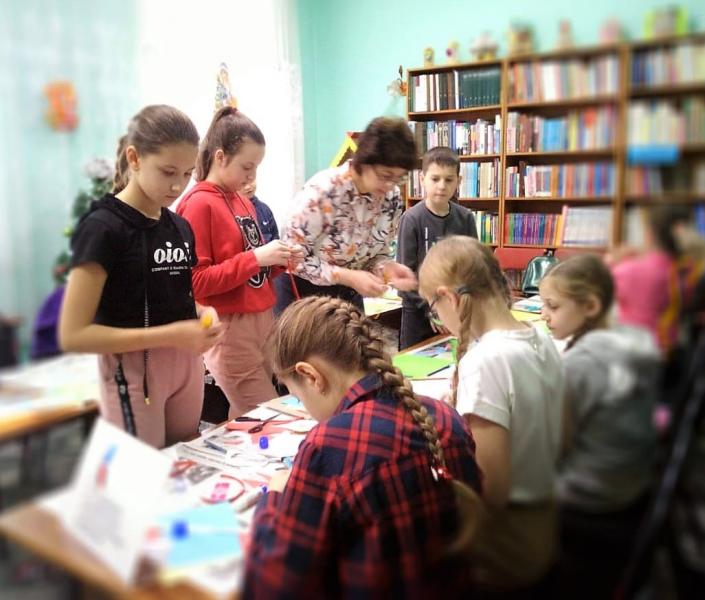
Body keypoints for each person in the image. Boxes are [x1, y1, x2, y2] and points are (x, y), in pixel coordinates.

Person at [243, 296, 483, 598]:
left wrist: (274, 499)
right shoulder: (445, 417)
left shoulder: (327, 447)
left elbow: (276, 587)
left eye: (298, 398)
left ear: (311, 375)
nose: (306, 410)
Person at [58, 105, 222, 448]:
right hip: (134, 371)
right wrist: (170, 335)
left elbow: (177, 298)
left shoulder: (180, 227)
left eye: (187, 173)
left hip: (186, 367)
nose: (177, 185)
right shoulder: (103, 228)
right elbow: (73, 335)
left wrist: (203, 314)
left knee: (185, 457)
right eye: (167, 171)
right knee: (144, 470)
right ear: (134, 158)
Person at [418, 235, 565, 594]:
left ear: (450, 298)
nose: (437, 318)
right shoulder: (539, 337)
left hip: (508, 547)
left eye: (433, 307)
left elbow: (490, 491)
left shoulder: (485, 362)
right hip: (547, 528)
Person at [539, 254, 660, 600]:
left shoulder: (582, 363)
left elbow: (557, 444)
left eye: (552, 306)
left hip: (591, 499)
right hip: (634, 486)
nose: (543, 314)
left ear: (590, 306)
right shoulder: (636, 340)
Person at [177, 107, 303, 418]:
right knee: (268, 416)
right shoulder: (198, 203)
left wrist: (278, 261)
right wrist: (256, 258)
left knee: (248, 417)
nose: (252, 177)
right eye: (247, 167)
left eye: (256, 168)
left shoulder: (241, 200)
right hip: (230, 329)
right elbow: (195, 283)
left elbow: (250, 270)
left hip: (263, 321)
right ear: (220, 157)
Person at [275, 117, 418, 314]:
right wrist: (348, 276)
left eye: (398, 178)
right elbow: (291, 258)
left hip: (348, 294)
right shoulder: (324, 192)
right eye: (385, 176)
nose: (390, 185)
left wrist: (385, 268)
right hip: (303, 294)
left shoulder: (390, 199)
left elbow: (379, 252)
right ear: (365, 161)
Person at [396, 146, 477, 349]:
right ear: (422, 179)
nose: (441, 186)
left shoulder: (466, 218)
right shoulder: (411, 219)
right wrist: (433, 309)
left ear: (458, 181)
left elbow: (473, 269)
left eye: (449, 180)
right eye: (435, 179)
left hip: (455, 311)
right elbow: (405, 276)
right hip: (418, 313)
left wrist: (455, 308)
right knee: (412, 364)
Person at [240, 179, 279, 244]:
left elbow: (275, 238)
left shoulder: (264, 209)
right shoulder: (232, 211)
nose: (248, 187)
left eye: (251, 181)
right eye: (243, 183)